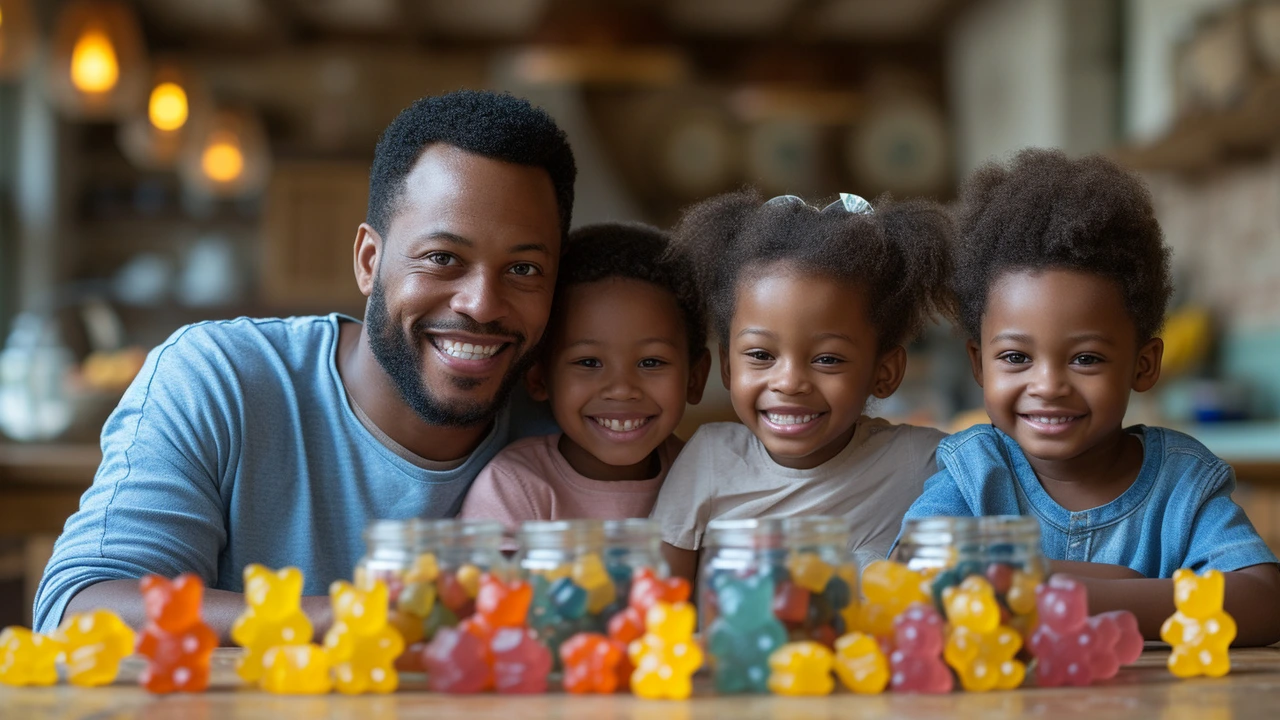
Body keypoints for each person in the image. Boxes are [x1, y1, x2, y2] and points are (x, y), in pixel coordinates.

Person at [32, 90, 577, 638]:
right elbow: (80, 611)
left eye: (524, 269)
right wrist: (344, 617)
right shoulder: (218, 379)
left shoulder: (571, 421)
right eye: (442, 258)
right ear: (370, 262)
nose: (480, 303)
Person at [898, 149, 1280, 644]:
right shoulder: (975, 473)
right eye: (1016, 358)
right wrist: (1137, 590)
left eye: (1086, 359)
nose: (1049, 385)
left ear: (1144, 365)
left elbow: (1264, 601)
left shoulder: (1182, 484)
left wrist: (1076, 594)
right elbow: (915, 582)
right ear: (978, 364)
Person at [649, 191, 953, 583]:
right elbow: (656, 609)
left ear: (885, 372)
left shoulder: (921, 464)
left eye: (827, 359)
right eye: (760, 355)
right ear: (727, 365)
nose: (789, 382)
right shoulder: (707, 463)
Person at [458, 222, 711, 531]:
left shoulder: (707, 481)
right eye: (589, 362)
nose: (621, 390)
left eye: (651, 362)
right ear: (537, 377)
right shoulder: (516, 487)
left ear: (695, 378)